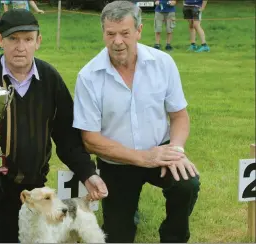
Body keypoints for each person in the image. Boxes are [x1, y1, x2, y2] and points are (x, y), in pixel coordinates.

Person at [0, 9, 108, 243]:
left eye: (27, 39)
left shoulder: (50, 79)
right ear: (0, 40)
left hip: (30, 181)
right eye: (13, 39)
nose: (20, 47)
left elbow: (67, 136)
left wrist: (87, 174)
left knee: (12, 235)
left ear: (38, 42)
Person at [73, 1, 200, 243]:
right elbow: (90, 139)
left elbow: (179, 115)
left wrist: (176, 150)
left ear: (139, 31)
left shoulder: (163, 63)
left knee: (187, 183)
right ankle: (126, 217)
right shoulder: (88, 77)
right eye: (110, 34)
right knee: (118, 236)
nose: (117, 41)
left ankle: (174, 236)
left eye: (125, 33)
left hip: (160, 152)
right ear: (103, 33)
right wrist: (143, 158)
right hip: (116, 162)